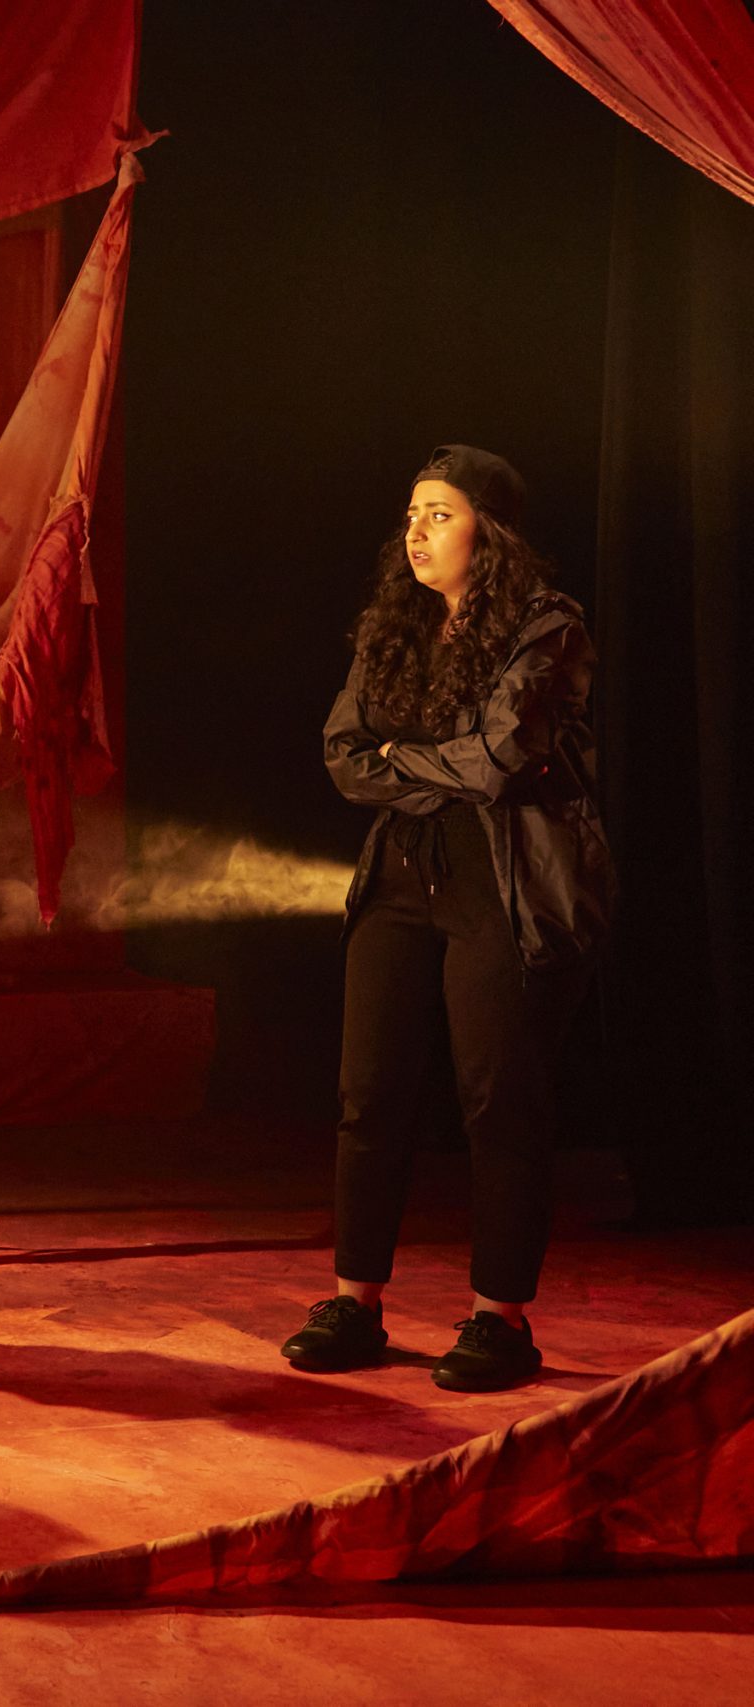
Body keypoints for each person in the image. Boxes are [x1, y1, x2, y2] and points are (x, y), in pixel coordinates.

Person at [283, 445, 613, 1393]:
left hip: (502, 884)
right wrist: (428, 757)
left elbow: (499, 761)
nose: (417, 530)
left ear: (490, 531)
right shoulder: (396, 627)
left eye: (441, 513)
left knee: (498, 1100)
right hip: (399, 877)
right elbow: (345, 756)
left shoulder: (549, 628)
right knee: (368, 1091)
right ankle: (357, 1302)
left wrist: (407, 756)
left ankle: (499, 1319)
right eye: (413, 513)